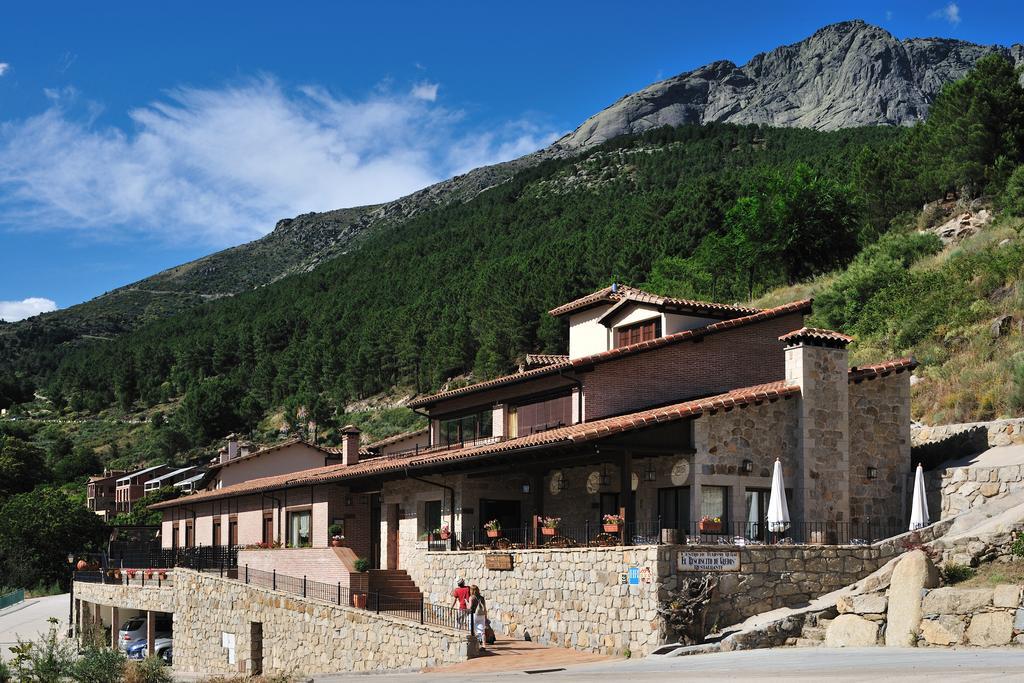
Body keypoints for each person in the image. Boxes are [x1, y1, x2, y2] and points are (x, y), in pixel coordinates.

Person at [469, 584, 488, 650]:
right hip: (482, 615)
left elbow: (470, 607)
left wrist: (466, 603)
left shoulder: (472, 597)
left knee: (472, 630)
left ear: (471, 590)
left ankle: (474, 644)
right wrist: (486, 617)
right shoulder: (482, 598)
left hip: (474, 615)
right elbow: (485, 608)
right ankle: (484, 645)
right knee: (482, 631)